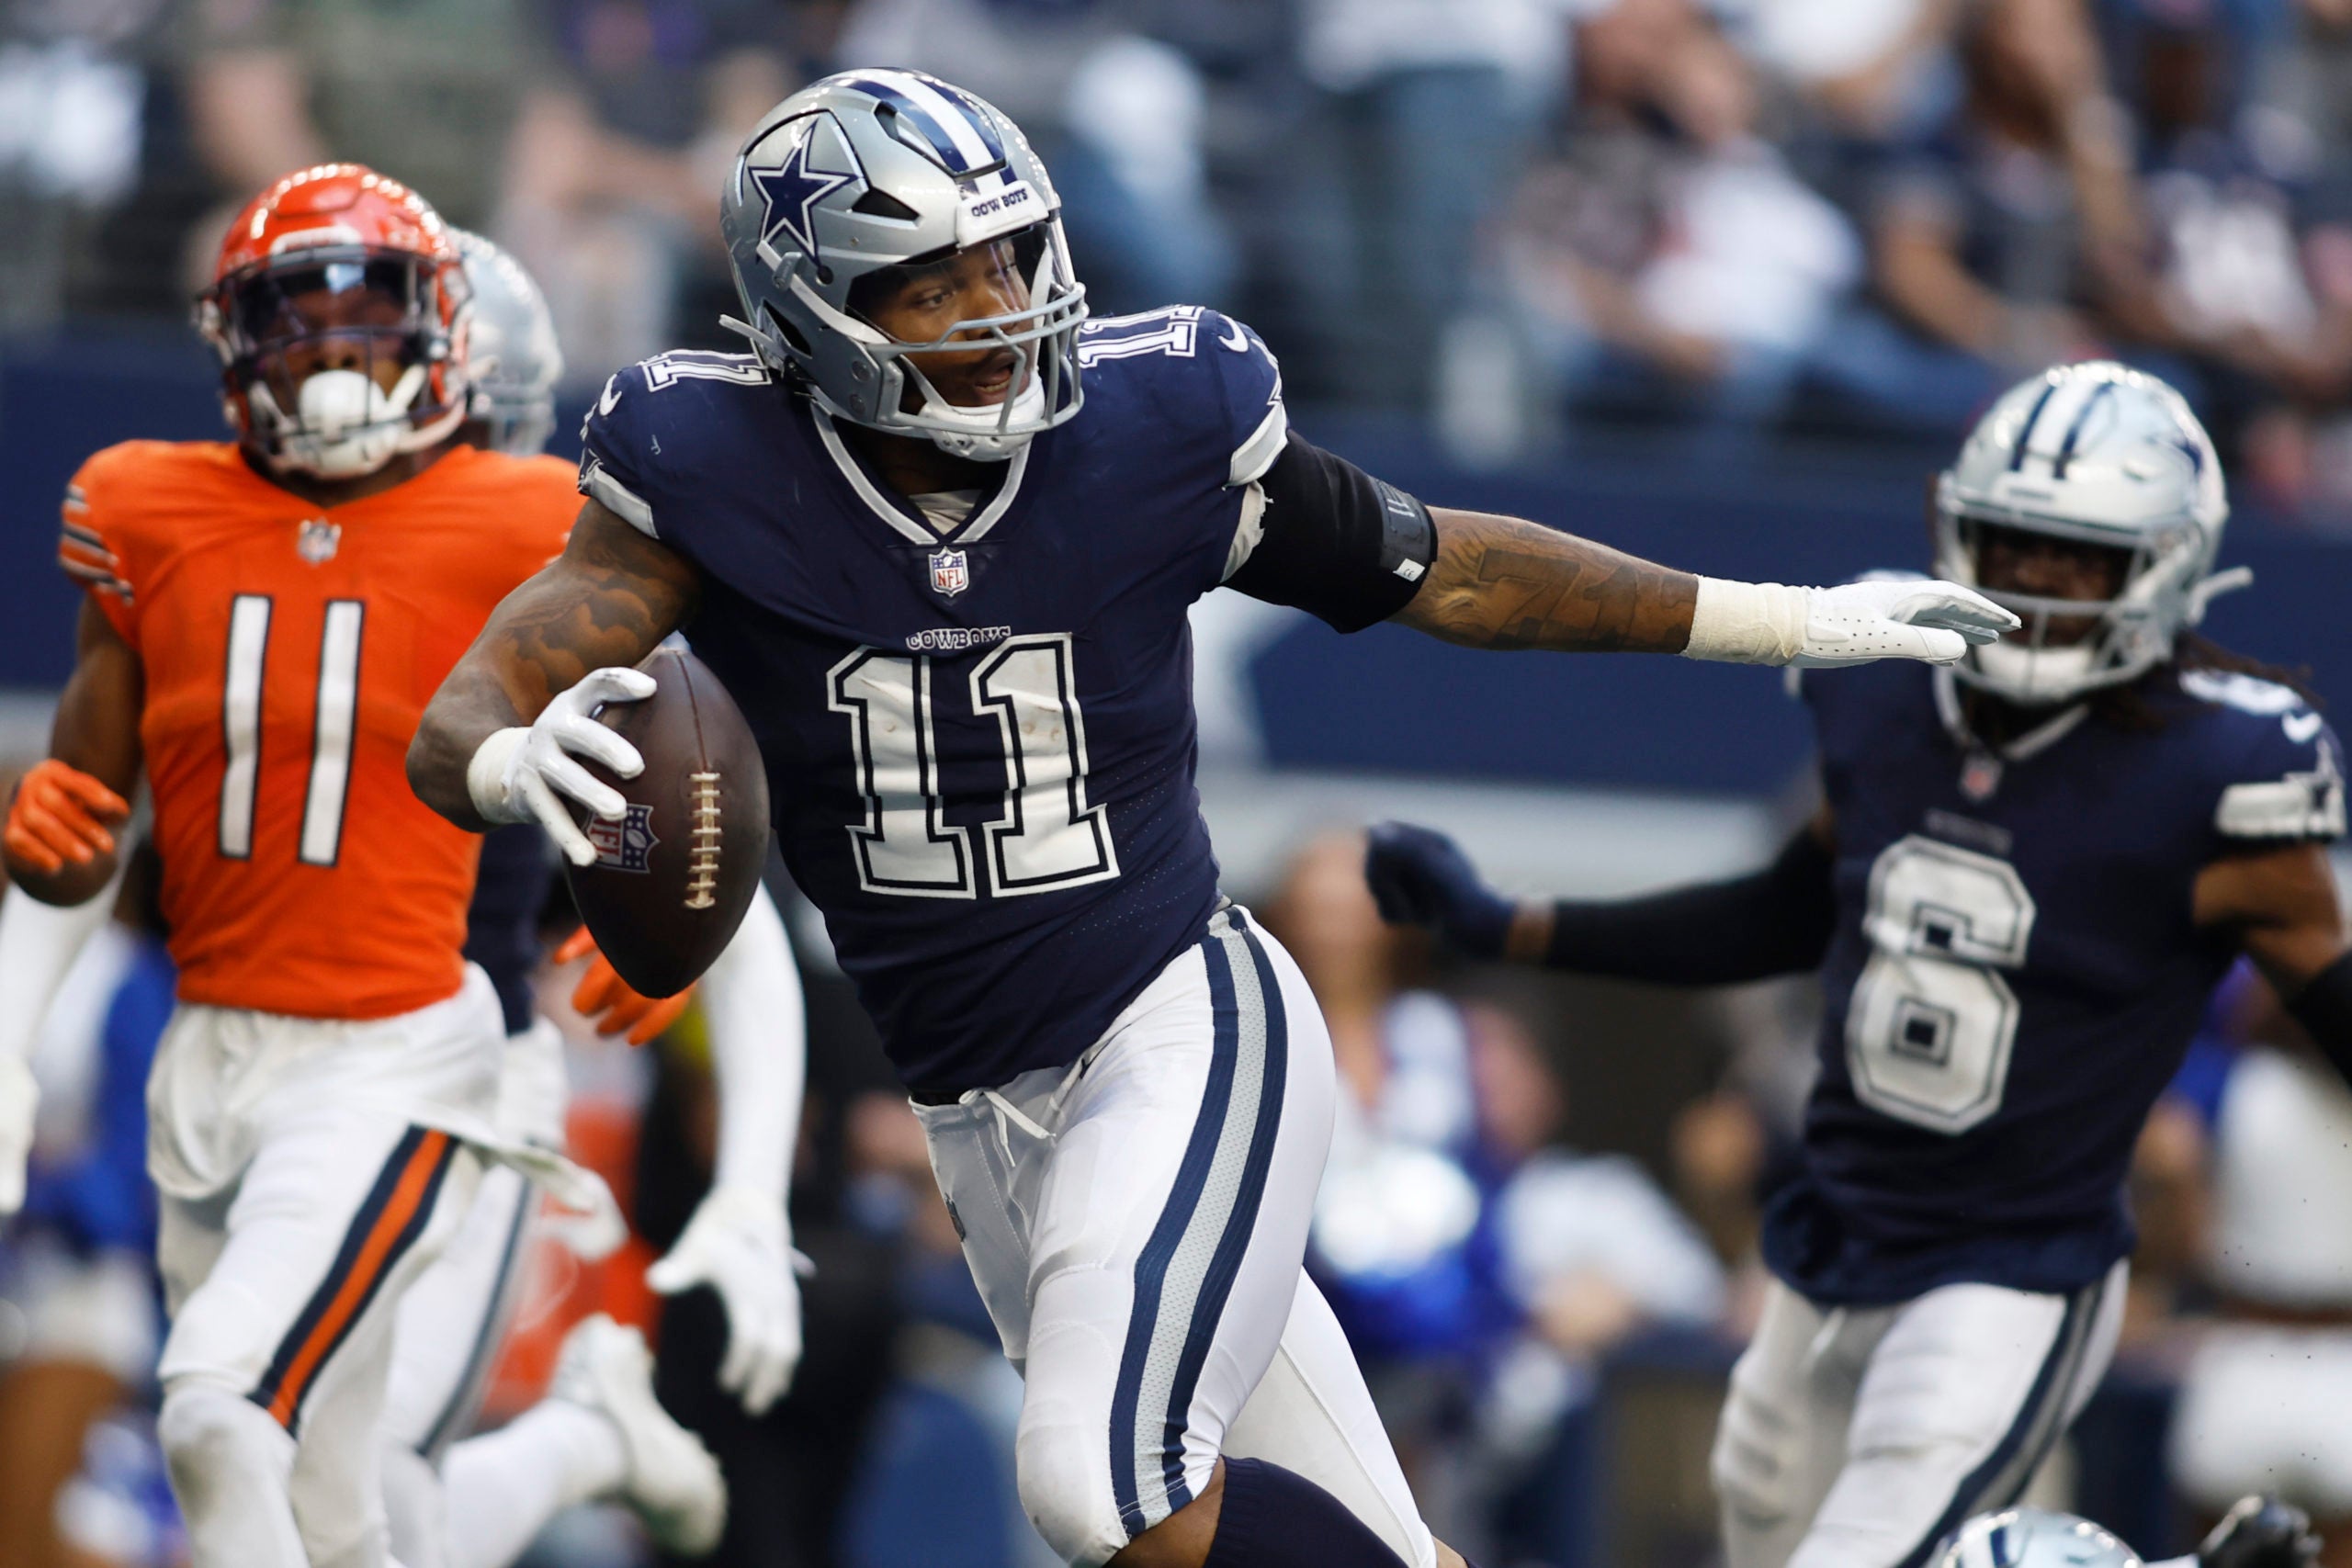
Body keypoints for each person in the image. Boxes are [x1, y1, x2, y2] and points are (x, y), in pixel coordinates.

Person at [402, 69, 2012, 1568]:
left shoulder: (1151, 426)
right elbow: (464, 716)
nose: (995, 306)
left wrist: (1783, 618)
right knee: (1331, 1541)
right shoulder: (707, 470)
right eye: (933, 284)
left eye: (1008, 256)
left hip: (1172, 1024)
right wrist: (510, 770)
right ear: (804, 314)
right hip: (976, 1109)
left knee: (1101, 1487)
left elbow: (1450, 567)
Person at [1364, 360, 2352, 1568]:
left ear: (2167, 566)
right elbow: (1785, 915)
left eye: (2078, 559)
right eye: (2013, 543)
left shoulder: (2227, 767)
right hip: (1830, 1235)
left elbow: (2332, 1003)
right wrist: (1510, 924)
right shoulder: (1891, 671)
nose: (2035, 583)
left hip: (2014, 1267)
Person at [1, 163, 602, 1568]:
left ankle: (586, 1438)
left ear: (440, 329)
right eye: (298, 322)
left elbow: (681, 740)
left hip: (398, 1052)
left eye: (368, 319)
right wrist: (13, 1024)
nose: (336, 360)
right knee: (339, 1517)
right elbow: (85, 819)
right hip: (207, 1053)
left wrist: (673, 916)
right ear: (232, 339)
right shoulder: (145, 506)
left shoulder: (531, 517)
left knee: (217, 1410)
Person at [373, 228, 813, 1568]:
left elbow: (735, 916)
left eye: (379, 364)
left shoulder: (553, 571)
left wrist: (751, 1193)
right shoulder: (212, 535)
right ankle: (582, 1440)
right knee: (264, 1465)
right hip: (263, 1060)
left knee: (357, 1494)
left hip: (455, 1067)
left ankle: (578, 1441)